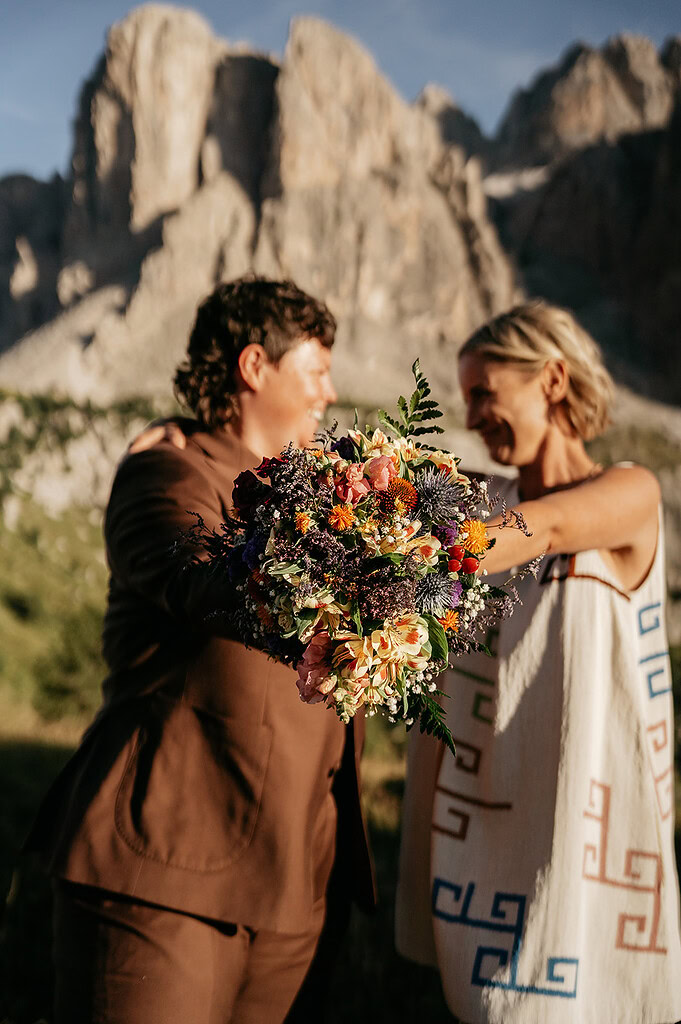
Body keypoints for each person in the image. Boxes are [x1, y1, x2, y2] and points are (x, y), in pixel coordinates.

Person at [27, 277, 374, 1024]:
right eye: (314, 370)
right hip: (162, 873)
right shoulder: (167, 469)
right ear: (255, 367)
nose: (329, 391)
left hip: (292, 885)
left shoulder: (327, 492)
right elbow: (197, 576)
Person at [396, 301, 681, 1023]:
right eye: (465, 400)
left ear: (551, 380)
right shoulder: (481, 502)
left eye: (484, 393)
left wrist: (423, 554)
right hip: (488, 830)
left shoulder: (629, 493)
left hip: (585, 833)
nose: (472, 417)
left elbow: (548, 525)